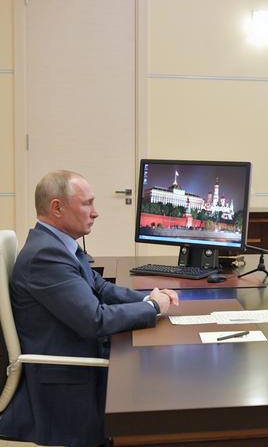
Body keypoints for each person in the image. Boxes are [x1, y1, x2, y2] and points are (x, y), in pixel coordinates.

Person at [0, 170, 179, 447]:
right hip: (68, 383)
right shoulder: (46, 257)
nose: (95, 213)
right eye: (87, 204)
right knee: (164, 382)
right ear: (57, 208)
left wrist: (147, 300)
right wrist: (155, 308)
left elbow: (102, 289)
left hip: (81, 357)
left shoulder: (59, 245)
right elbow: (94, 320)